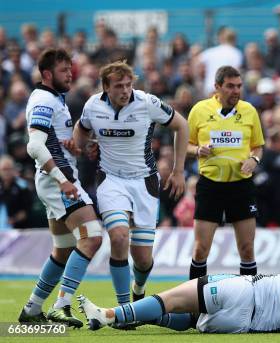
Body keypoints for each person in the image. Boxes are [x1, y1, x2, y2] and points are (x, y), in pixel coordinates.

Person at [74, 61, 188, 312]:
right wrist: (84, 146)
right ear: (106, 87)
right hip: (110, 180)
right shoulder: (93, 106)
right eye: (119, 86)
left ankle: (138, 289)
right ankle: (125, 308)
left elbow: (182, 125)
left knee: (143, 259)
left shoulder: (147, 103)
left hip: (144, 182)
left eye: (128, 85)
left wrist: (178, 170)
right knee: (118, 236)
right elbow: (80, 130)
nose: (125, 90)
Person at [18, 48, 104, 328]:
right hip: (58, 181)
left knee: (64, 248)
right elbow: (34, 145)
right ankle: (62, 305)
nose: (71, 74)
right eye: (64, 70)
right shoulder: (44, 99)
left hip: (56, 178)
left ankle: (32, 309)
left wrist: (78, 148)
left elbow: (53, 142)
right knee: (91, 236)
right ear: (47, 74)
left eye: (71, 68)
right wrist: (63, 180)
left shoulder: (56, 99)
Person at [78, 260, 280, 333]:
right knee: (190, 320)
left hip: (245, 289)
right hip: (243, 325)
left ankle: (110, 315)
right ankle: (127, 320)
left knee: (170, 298)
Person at [187, 66, 265, 279]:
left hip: (241, 185)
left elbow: (258, 146)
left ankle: (248, 304)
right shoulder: (200, 110)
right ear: (217, 87)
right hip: (210, 184)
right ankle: (196, 304)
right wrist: (197, 150)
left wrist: (254, 159)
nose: (236, 91)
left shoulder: (249, 111)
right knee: (201, 249)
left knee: (247, 249)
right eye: (230, 86)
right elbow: (185, 144)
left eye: (239, 86)